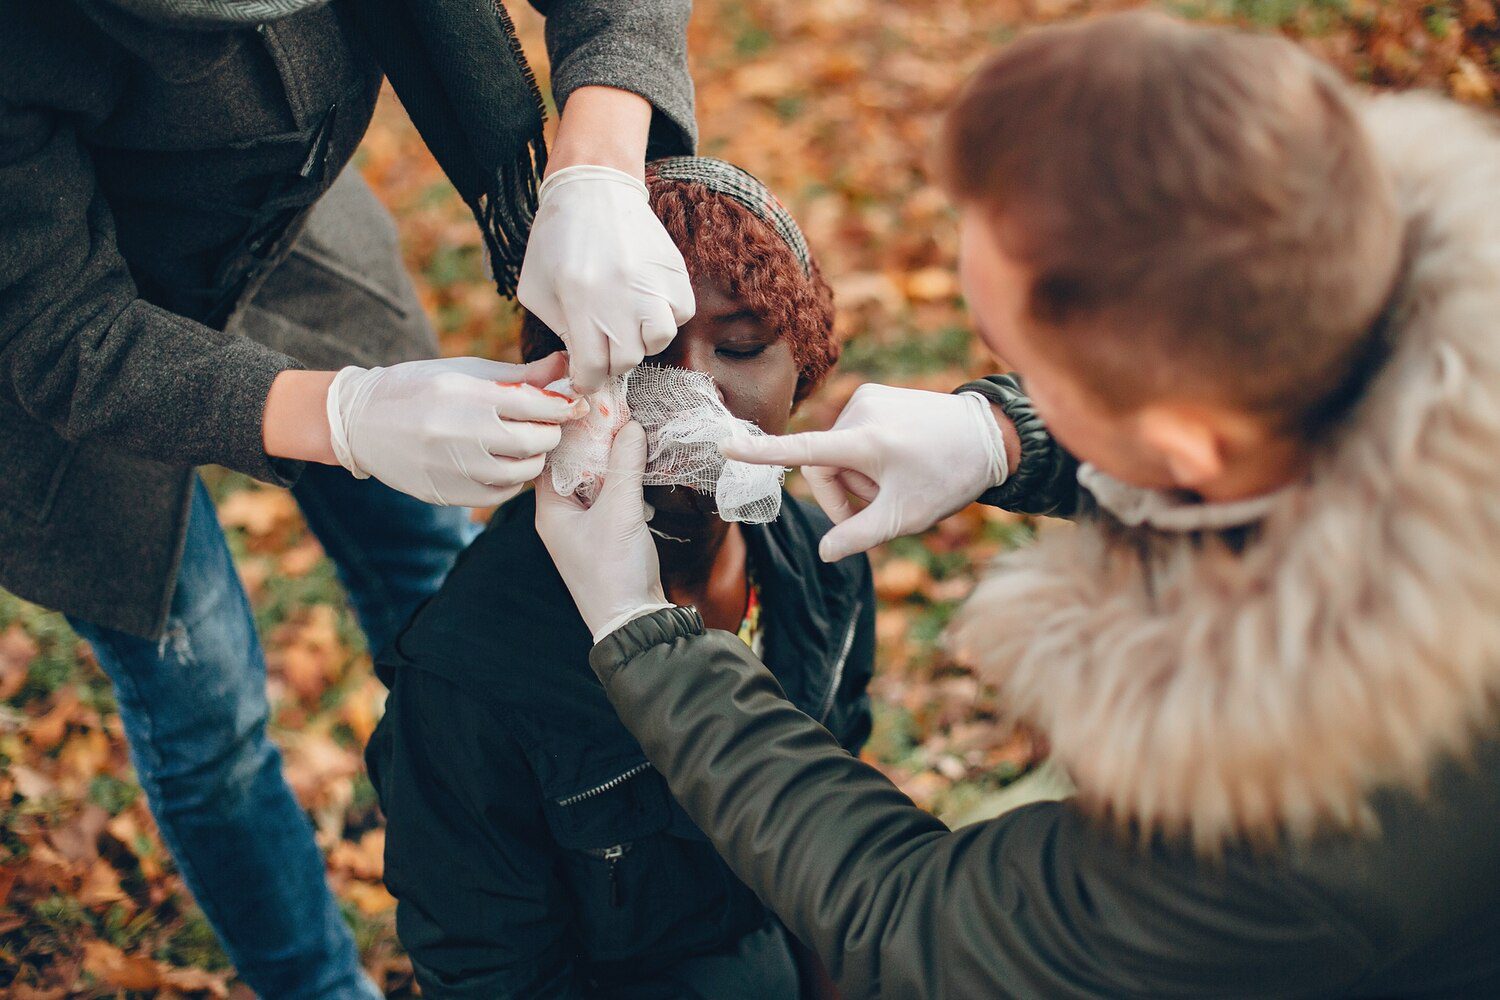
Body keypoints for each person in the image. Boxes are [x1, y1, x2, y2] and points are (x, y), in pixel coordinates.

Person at [535, 14, 1500, 998]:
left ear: (1181, 448)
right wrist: (1005, 433)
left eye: (1024, 363)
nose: (999, 374)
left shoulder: (1292, 836)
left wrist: (634, 622)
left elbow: (924, 922)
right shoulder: (1346, 287)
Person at [0, 1, 693, 994]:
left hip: (287, 240)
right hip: (60, 383)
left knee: (436, 581)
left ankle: (507, 872)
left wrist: (599, 153)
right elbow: (54, 326)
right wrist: (348, 417)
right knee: (209, 719)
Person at [366, 158, 872, 998]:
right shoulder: (470, 678)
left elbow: (836, 820)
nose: (691, 394)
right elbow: (488, 971)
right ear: (562, 376)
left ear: (806, 367)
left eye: (742, 345)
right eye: (642, 353)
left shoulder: (817, 562)